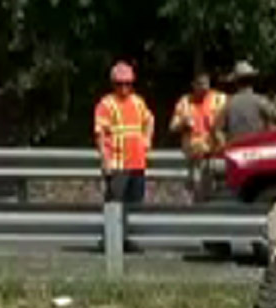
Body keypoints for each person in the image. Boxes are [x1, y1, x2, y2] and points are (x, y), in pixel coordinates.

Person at [94, 61, 155, 205]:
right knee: (115, 206)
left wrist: (147, 139)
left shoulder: (137, 102)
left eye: (127, 84)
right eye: (119, 84)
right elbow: (100, 134)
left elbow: (150, 120)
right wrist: (105, 161)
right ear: (113, 84)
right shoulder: (106, 104)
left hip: (137, 163)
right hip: (117, 166)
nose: (124, 88)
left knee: (136, 206)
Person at [170, 73, 227, 202]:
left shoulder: (219, 99)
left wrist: (219, 129)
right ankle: (198, 211)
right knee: (196, 186)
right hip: (194, 153)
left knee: (213, 187)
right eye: (200, 84)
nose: (203, 87)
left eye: (206, 84)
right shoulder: (185, 102)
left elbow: (230, 119)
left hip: (214, 152)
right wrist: (183, 122)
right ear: (194, 85)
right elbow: (173, 126)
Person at [214, 61, 276, 146]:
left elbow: (217, 130)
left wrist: (225, 146)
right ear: (252, 81)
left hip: (236, 151)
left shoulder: (229, 104)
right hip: (257, 150)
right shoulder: (260, 101)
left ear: (236, 82)